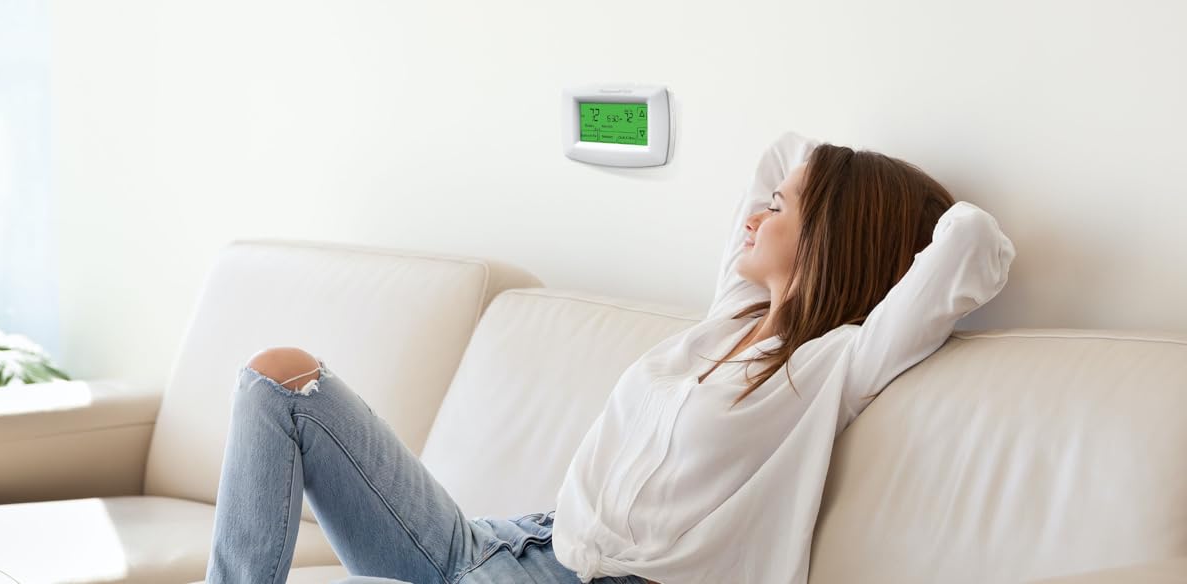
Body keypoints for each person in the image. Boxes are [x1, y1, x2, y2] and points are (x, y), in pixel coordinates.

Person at [205, 131, 1017, 584]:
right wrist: (808, 188)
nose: (754, 216)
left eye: (780, 212)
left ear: (830, 241)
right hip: (506, 544)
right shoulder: (725, 321)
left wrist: (853, 204)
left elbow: (973, 246)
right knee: (279, 380)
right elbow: (778, 152)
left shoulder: (839, 365)